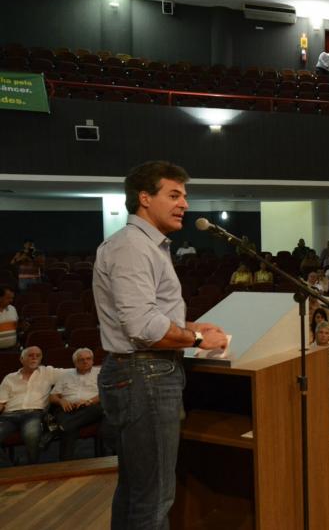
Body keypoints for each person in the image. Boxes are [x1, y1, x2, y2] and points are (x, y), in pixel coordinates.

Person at [93, 161, 228, 528]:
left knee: (138, 490)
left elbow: (147, 315)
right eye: (173, 195)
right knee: (153, 500)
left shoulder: (143, 245)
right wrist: (198, 338)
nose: (184, 203)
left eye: (184, 195)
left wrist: (186, 326)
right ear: (144, 198)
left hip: (142, 372)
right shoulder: (134, 247)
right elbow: (142, 327)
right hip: (146, 373)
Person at [46, 348, 113, 460]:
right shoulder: (66, 375)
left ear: (92, 360)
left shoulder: (100, 373)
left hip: (91, 408)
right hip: (68, 409)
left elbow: (106, 394)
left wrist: (88, 401)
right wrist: (61, 401)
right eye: (81, 359)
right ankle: (65, 464)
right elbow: (52, 396)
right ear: (75, 362)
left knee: (100, 408)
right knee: (70, 428)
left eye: (88, 359)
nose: (85, 361)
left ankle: (59, 428)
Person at [0, 346, 61, 464]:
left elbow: (74, 372)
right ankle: (10, 468)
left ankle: (32, 466)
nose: (34, 358)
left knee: (31, 434)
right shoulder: (10, 378)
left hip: (33, 414)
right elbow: (1, 402)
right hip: (8, 416)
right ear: (21, 359)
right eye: (30, 355)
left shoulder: (48, 372)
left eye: (38, 356)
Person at [0, 285, 18, 350]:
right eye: (8, 298)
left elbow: (15, 328)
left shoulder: (13, 309)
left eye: (12, 298)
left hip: (12, 349)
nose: (11, 301)